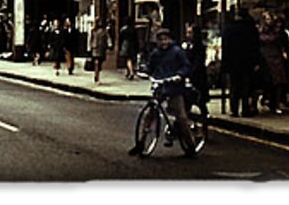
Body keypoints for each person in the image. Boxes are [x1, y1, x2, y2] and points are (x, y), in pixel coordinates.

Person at [128, 28, 196, 157]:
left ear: (170, 40)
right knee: (150, 115)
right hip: (160, 86)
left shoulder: (177, 52)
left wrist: (179, 75)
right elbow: (151, 67)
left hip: (174, 87)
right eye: (160, 40)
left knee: (181, 117)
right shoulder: (156, 53)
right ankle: (141, 143)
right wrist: (144, 71)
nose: (163, 42)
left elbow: (186, 66)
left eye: (165, 39)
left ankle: (191, 146)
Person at [221, 8, 261, 118]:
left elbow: (225, 48)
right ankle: (245, 109)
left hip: (233, 63)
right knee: (246, 87)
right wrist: (256, 62)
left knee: (234, 87)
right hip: (247, 62)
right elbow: (256, 47)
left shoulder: (229, 29)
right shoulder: (251, 29)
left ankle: (233, 109)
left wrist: (225, 64)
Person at [258, 11, 288, 115]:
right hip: (265, 58)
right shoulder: (261, 31)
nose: (269, 21)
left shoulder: (277, 31)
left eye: (270, 19)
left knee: (278, 82)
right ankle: (268, 99)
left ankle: (276, 103)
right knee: (267, 81)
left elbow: (281, 44)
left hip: (275, 57)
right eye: (267, 19)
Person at [183, 24, 209, 111]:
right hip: (190, 77)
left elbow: (198, 63)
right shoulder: (188, 45)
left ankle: (204, 119)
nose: (188, 35)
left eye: (190, 33)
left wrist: (190, 73)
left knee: (200, 102)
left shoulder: (199, 47)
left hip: (198, 78)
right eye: (187, 33)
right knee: (188, 102)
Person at [89, 18, 112, 84]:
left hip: (102, 49)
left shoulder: (104, 31)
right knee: (97, 63)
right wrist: (89, 47)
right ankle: (97, 77)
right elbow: (90, 39)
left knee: (99, 64)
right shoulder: (93, 31)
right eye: (99, 22)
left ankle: (97, 74)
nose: (100, 23)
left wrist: (109, 44)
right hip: (95, 48)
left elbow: (108, 38)